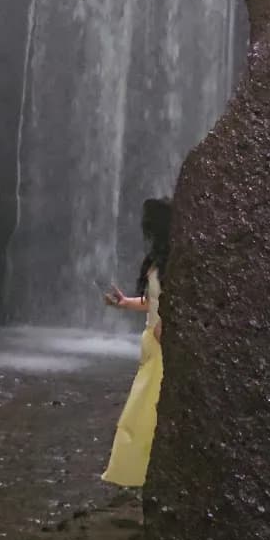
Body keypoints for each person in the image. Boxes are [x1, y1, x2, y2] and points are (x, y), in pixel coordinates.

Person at [101, 197, 172, 488]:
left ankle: (155, 474)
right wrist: (125, 303)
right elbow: (154, 300)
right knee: (142, 413)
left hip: (162, 345)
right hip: (152, 344)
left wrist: (166, 327)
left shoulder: (176, 259)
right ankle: (145, 474)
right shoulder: (160, 259)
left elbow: (174, 301)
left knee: (148, 413)